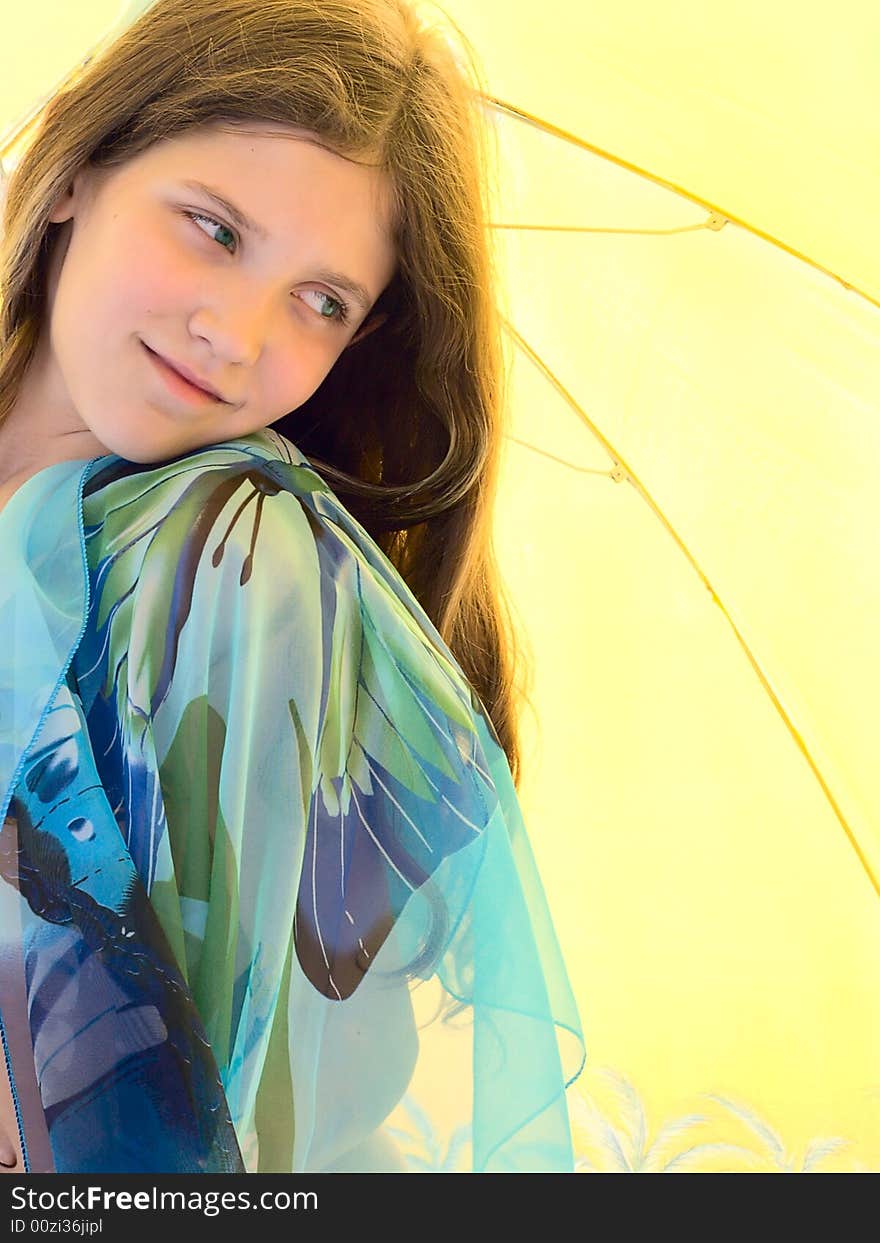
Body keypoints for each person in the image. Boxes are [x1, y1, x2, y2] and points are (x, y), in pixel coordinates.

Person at [0, 0, 585, 1173]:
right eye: (214, 230)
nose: (234, 331)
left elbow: (189, 1131)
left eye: (322, 302)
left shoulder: (236, 564)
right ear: (75, 166)